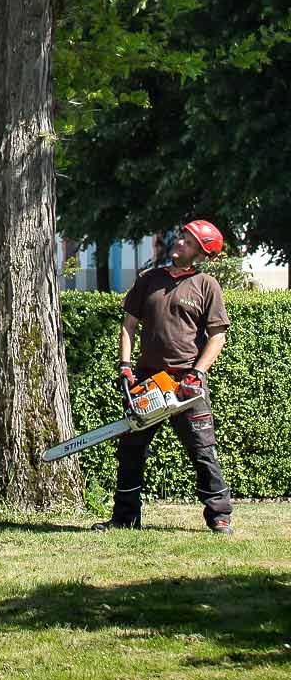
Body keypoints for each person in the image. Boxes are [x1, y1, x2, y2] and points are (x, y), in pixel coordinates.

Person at [96, 219, 233, 534]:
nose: (180, 241)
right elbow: (129, 325)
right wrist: (125, 366)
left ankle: (219, 515)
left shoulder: (206, 285)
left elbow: (217, 337)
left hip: (187, 381)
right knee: (131, 450)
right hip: (147, 379)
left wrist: (198, 373)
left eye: (188, 240)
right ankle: (125, 518)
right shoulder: (149, 280)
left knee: (202, 449)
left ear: (200, 251)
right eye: (181, 236)